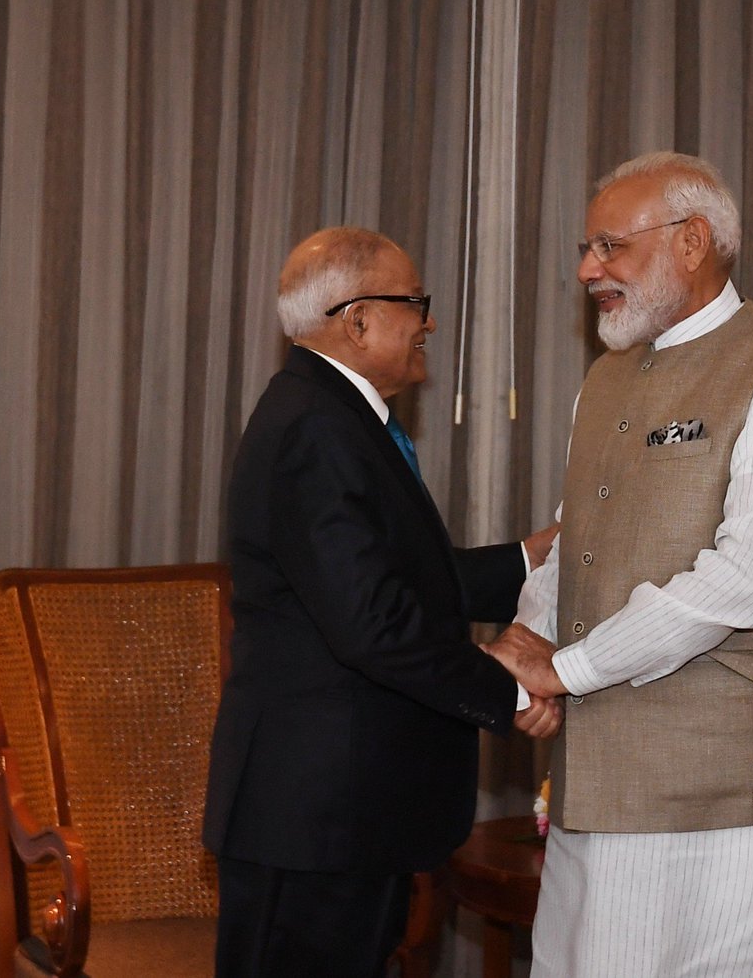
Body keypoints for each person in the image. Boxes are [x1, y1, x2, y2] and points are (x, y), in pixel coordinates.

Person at [486, 152, 753, 977]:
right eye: (586, 249)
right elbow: (571, 543)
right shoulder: (604, 381)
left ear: (692, 242)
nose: (588, 270)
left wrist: (566, 670)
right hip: (597, 795)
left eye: (610, 246)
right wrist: (529, 646)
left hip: (740, 811)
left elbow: (746, 579)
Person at [203, 226, 560, 978]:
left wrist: (528, 560)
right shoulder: (316, 428)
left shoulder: (330, 413)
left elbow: (389, 580)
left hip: (345, 813)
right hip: (316, 821)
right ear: (358, 319)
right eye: (416, 303)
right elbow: (372, 622)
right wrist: (508, 687)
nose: (429, 321)